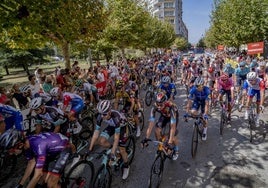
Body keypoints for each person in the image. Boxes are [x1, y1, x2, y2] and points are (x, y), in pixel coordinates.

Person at [5, 131, 74, 188]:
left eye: (12, 151)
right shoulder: (26, 144)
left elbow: (37, 174)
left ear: (20, 145)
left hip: (65, 148)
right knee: (41, 181)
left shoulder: (38, 146)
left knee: (50, 184)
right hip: (51, 150)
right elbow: (31, 163)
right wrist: (20, 184)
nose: (11, 154)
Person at [89, 100, 131, 180]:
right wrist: (90, 149)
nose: (102, 116)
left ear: (109, 111)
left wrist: (112, 153)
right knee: (101, 141)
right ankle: (114, 149)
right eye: (100, 114)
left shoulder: (116, 117)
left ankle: (126, 165)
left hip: (121, 127)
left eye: (104, 114)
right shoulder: (101, 115)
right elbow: (95, 133)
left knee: (122, 150)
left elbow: (116, 138)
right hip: (112, 126)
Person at [141, 92, 179, 160]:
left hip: (172, 117)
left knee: (172, 136)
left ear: (165, 102)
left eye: (161, 105)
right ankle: (161, 147)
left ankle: (176, 149)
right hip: (164, 116)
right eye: (157, 104)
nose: (159, 107)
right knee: (157, 130)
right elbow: (151, 124)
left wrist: (170, 142)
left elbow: (173, 127)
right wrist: (146, 137)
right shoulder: (155, 106)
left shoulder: (171, 107)